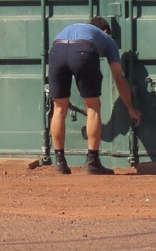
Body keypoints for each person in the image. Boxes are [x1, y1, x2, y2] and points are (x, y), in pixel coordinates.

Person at [47, 17, 141, 175]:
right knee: (92, 107)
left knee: (59, 108)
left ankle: (59, 163)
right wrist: (131, 108)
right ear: (105, 31)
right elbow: (118, 77)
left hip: (57, 51)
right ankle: (92, 162)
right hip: (83, 51)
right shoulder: (107, 38)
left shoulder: (72, 27)